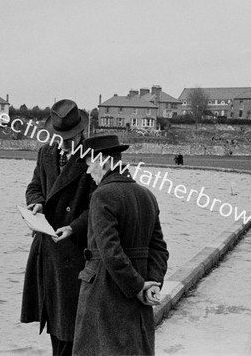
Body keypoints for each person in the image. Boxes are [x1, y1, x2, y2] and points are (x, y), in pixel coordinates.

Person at [73, 134, 169, 356]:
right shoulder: (147, 195)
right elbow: (159, 249)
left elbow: (111, 252)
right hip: (140, 291)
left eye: (89, 165)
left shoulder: (102, 195)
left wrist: (136, 287)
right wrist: (152, 283)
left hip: (105, 294)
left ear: (104, 161)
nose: (88, 172)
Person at [21, 99, 96, 356]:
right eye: (59, 137)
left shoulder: (93, 160)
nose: (63, 143)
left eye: (69, 137)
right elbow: (34, 187)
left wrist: (74, 228)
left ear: (81, 133)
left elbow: (97, 206)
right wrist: (37, 204)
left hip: (73, 251)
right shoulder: (45, 153)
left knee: (71, 326)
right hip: (47, 248)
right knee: (55, 322)